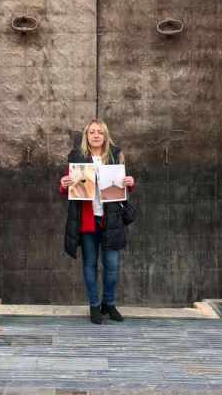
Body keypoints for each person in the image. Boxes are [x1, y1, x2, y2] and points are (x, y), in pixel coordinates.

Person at [59, 119, 135, 324]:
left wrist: (130, 183)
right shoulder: (77, 157)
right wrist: (64, 184)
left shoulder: (115, 154)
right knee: (89, 264)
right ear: (86, 135)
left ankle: (108, 304)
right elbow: (67, 186)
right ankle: (94, 305)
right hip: (87, 220)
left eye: (99, 132)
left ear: (105, 135)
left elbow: (122, 186)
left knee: (111, 266)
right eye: (91, 132)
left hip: (110, 219)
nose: (95, 135)